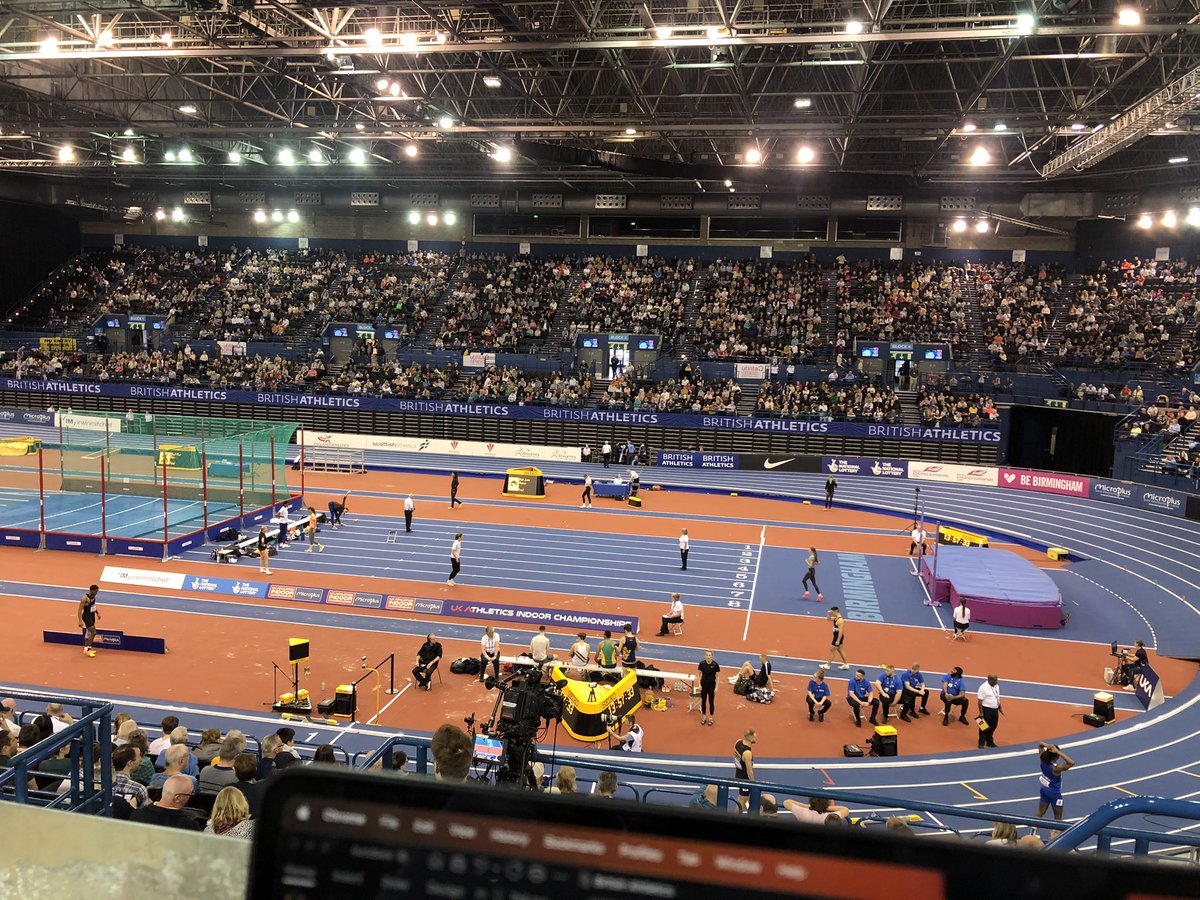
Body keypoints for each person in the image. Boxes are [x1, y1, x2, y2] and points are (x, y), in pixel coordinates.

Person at [129, 774, 202, 830]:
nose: (190, 797)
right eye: (190, 794)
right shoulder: (189, 826)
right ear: (177, 798)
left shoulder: (137, 815)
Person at [1035, 742, 1076, 832]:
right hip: (1055, 794)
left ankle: (1032, 833)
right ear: (1056, 756)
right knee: (1058, 817)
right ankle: (1056, 837)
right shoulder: (1056, 769)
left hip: (1044, 790)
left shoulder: (1043, 761)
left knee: (1040, 813)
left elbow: (1040, 744)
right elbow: (1071, 763)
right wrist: (1058, 752)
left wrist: (1047, 745)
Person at [732, 730, 757, 811]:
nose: (757, 738)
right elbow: (749, 772)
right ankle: (736, 818)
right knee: (743, 800)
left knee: (741, 798)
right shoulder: (747, 753)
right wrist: (753, 783)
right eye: (755, 736)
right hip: (745, 779)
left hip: (738, 773)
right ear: (751, 738)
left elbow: (735, 755)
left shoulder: (738, 742)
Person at [977, 673, 1003, 748]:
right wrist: (981, 712)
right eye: (995, 680)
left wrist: (999, 706)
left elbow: (997, 697)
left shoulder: (996, 686)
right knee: (983, 727)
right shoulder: (983, 687)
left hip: (995, 709)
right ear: (990, 680)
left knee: (993, 726)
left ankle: (989, 741)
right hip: (986, 710)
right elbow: (979, 701)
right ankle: (981, 743)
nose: (997, 682)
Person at [697, 649, 720, 726]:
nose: (708, 656)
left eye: (709, 655)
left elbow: (717, 677)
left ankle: (711, 718)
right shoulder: (702, 664)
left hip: (711, 686)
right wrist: (699, 685)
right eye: (707, 655)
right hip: (703, 685)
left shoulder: (715, 665)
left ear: (712, 656)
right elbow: (699, 675)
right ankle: (703, 717)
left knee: (711, 702)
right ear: (705, 655)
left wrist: (716, 687)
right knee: (703, 702)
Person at [77, 584, 100, 658]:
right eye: (96, 591)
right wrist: (80, 621)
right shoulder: (85, 598)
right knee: (93, 632)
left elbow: (93, 606)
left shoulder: (93, 597)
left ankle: (86, 649)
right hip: (86, 617)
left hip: (92, 616)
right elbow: (80, 609)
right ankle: (88, 649)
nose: (97, 593)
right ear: (92, 590)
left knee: (89, 633)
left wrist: (97, 613)